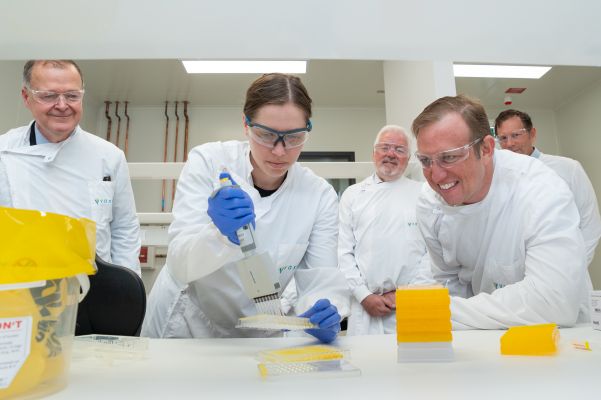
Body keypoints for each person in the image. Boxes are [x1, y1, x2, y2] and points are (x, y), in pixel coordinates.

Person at [142, 73, 349, 342]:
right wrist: (218, 235)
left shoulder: (318, 194)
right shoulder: (209, 162)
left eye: (294, 137)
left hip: (259, 330)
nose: (279, 151)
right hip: (188, 323)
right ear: (245, 124)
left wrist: (324, 309)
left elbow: (321, 277)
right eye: (265, 135)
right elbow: (180, 265)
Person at [412, 95, 589, 329]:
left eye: (449, 157)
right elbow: (448, 280)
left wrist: (433, 312)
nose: (436, 176)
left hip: (560, 338)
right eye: (425, 160)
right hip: (482, 335)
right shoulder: (430, 202)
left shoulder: (539, 189)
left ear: (486, 148)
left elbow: (554, 301)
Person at [0, 60, 141, 274]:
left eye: (72, 96)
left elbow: (124, 230)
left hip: (93, 288)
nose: (62, 105)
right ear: (26, 97)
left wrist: (126, 290)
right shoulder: (4, 152)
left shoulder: (109, 157)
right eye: (48, 96)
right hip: (20, 288)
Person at [338, 125, 432, 335]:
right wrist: (363, 295)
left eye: (399, 150)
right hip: (363, 306)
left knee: (412, 364)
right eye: (385, 147)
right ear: (373, 153)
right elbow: (343, 252)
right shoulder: (353, 195)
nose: (391, 154)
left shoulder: (423, 194)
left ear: (408, 159)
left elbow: (433, 253)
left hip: (411, 302)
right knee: (366, 364)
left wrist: (407, 294)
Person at [494, 109, 601, 268]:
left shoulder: (568, 168)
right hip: (519, 277)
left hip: (567, 269)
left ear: (532, 134)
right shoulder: (499, 179)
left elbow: (590, 223)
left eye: (516, 135)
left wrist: (572, 268)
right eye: (503, 138)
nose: (509, 144)